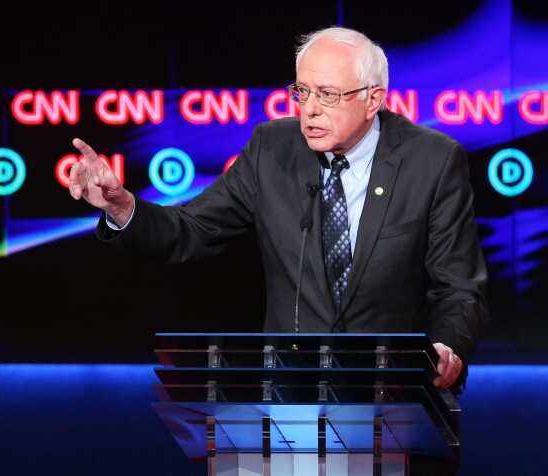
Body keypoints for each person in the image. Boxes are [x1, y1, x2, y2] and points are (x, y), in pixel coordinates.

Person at [68, 26, 488, 474]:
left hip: (392, 411)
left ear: (373, 99)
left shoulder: (433, 160)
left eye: (327, 94)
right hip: (290, 412)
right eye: (301, 91)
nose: (308, 109)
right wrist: (122, 205)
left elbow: (460, 288)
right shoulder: (273, 148)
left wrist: (449, 348)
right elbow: (191, 229)